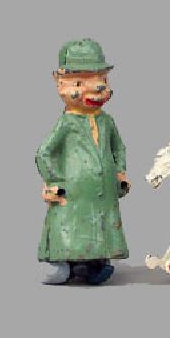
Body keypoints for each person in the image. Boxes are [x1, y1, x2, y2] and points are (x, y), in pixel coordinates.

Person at [36, 38, 130, 285]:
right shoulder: (67, 122)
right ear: (61, 84)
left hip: (104, 190)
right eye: (80, 83)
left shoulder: (106, 121)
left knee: (101, 225)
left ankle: (97, 264)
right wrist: (54, 181)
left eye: (102, 81)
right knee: (71, 224)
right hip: (74, 189)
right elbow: (44, 152)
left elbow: (118, 147)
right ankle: (64, 264)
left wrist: (120, 173)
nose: (96, 89)